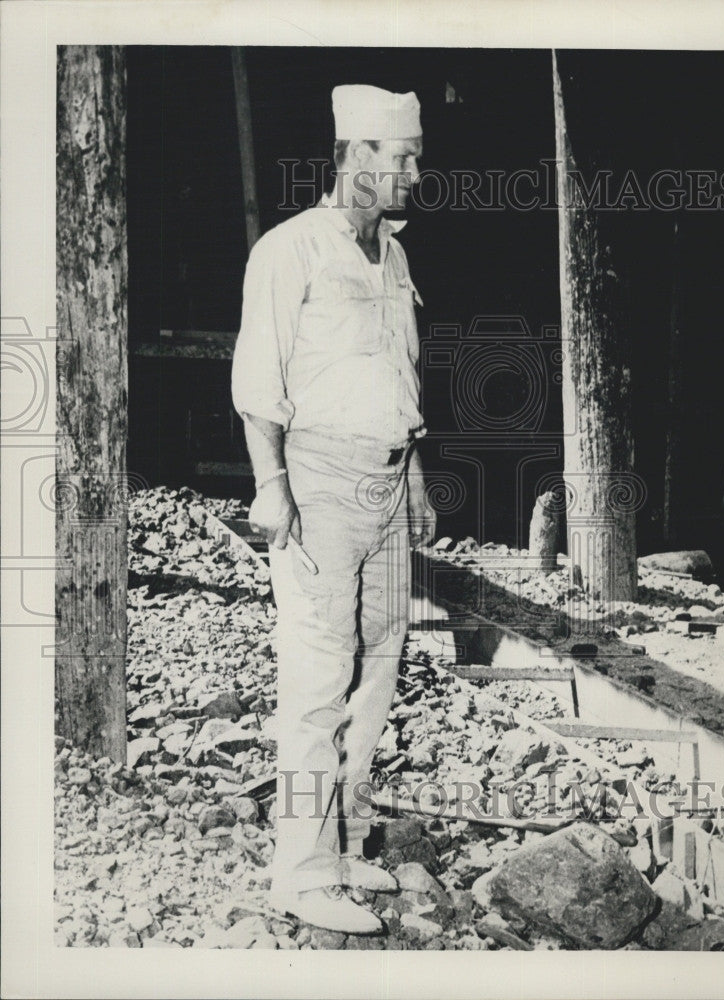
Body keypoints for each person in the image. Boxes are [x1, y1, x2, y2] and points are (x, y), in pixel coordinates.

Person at [231, 84, 435, 935]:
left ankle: (341, 836)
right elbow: (256, 383)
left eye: (416, 156)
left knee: (379, 661)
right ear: (355, 159)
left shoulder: (390, 255)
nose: (416, 173)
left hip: (388, 483)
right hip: (316, 480)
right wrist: (270, 489)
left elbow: (399, 372)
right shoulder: (291, 250)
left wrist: (415, 477)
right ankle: (300, 872)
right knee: (318, 676)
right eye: (403, 159)